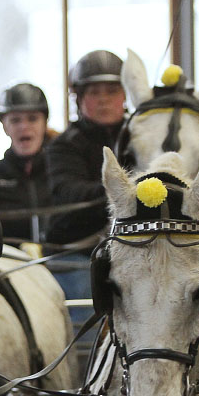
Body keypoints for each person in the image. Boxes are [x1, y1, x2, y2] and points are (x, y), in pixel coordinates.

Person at [44, 50, 127, 314]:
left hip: (134, 247)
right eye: (94, 92)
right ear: (79, 98)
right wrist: (124, 191)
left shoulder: (140, 140)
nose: (103, 100)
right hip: (79, 252)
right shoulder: (64, 146)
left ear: (126, 95)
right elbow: (68, 191)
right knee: (87, 295)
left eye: (111, 91)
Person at [0, 83, 55, 244]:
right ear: (4, 126)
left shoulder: (62, 171)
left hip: (61, 261)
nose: (24, 127)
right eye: (15, 120)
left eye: (33, 119)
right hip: (9, 264)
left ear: (44, 123)